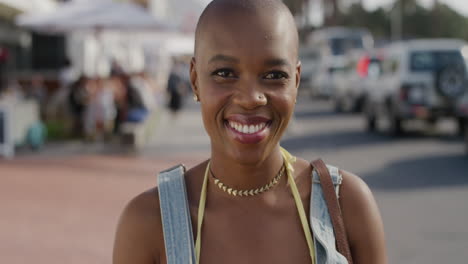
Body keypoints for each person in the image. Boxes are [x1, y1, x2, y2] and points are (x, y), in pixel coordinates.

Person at [113, 0, 387, 263]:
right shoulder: (150, 222)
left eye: (274, 75)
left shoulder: (345, 205)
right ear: (195, 80)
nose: (250, 98)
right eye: (225, 73)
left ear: (296, 82)